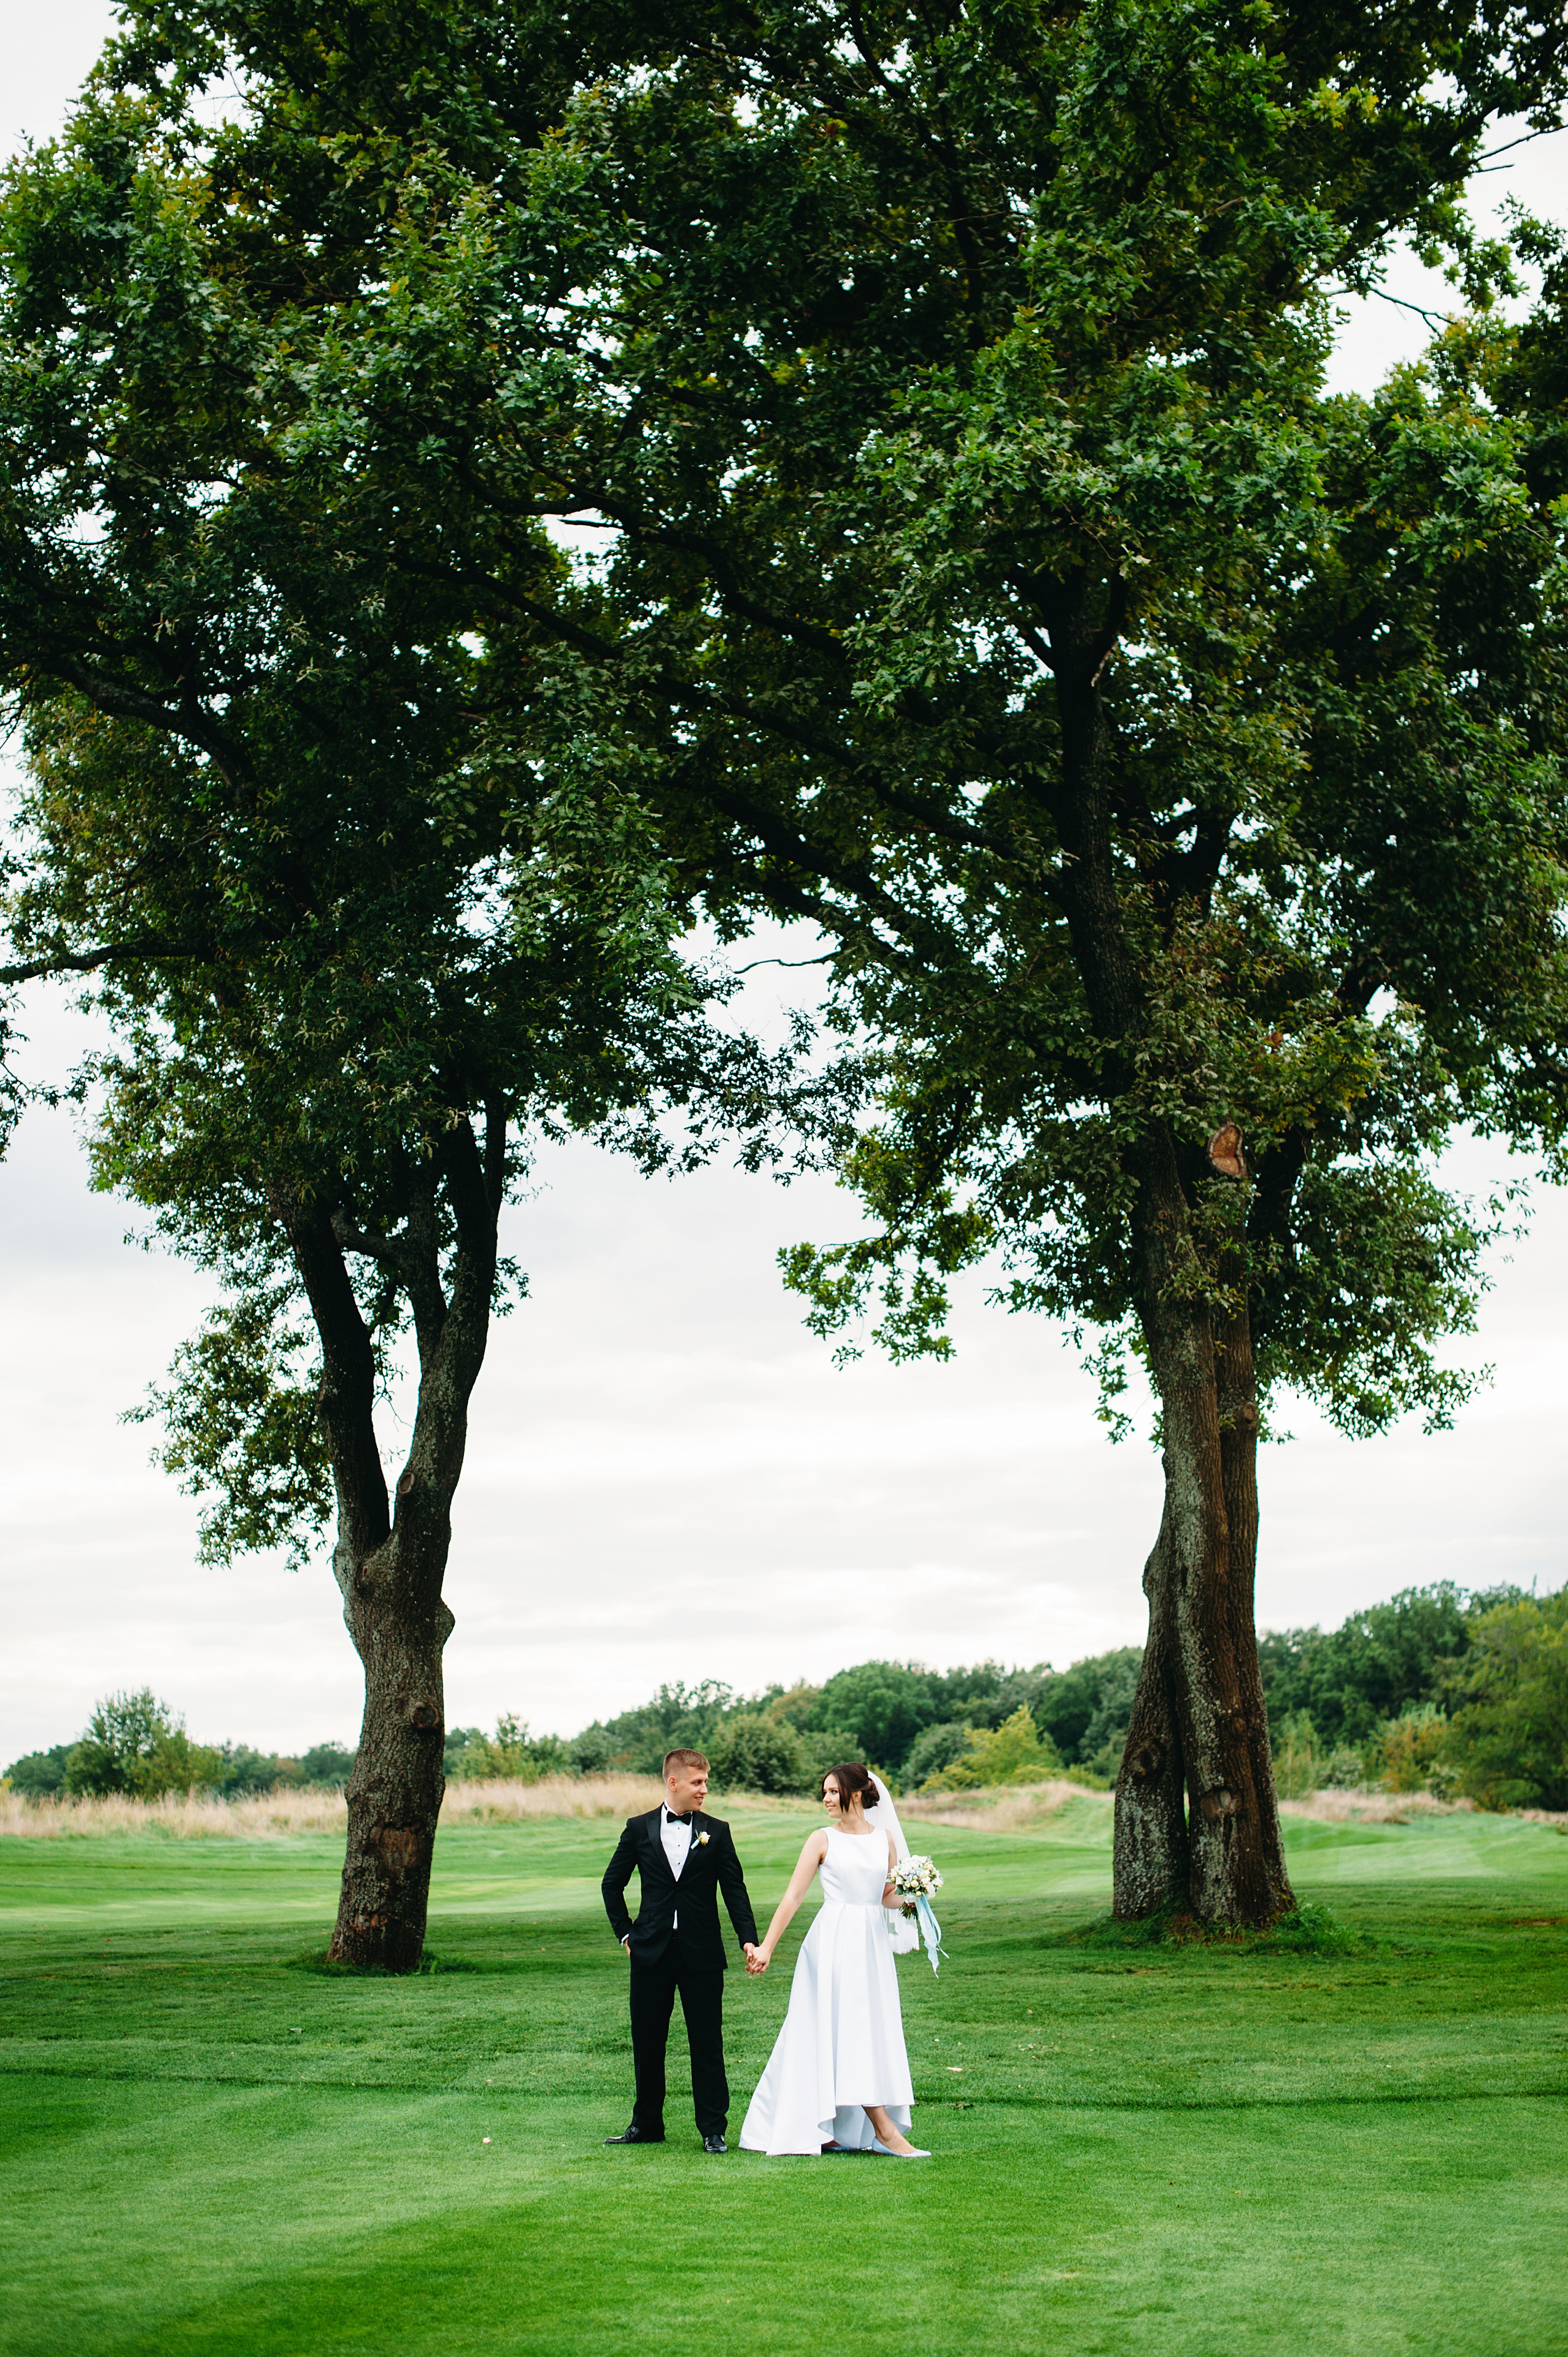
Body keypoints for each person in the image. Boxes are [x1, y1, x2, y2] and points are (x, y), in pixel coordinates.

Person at [739, 1762, 930, 2158]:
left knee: (863, 2029)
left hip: (871, 1942)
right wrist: (767, 1947)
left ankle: (826, 2125)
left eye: (831, 1791)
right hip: (832, 1943)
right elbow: (792, 1897)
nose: (825, 1799)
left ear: (856, 1794)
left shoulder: (885, 1839)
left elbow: (883, 1896)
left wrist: (915, 1897)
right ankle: (884, 2131)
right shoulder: (821, 1839)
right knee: (843, 2029)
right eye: (823, 1792)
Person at [600, 1747, 761, 2153]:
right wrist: (626, 1936)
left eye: (705, 1782)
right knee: (648, 2041)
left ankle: (712, 2129)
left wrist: (748, 1939)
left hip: (701, 1952)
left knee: (706, 2041)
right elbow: (611, 1885)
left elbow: (735, 1891)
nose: (704, 1789)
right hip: (650, 1952)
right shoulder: (638, 1828)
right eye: (697, 1782)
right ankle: (646, 2124)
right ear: (673, 1783)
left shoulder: (716, 1831)